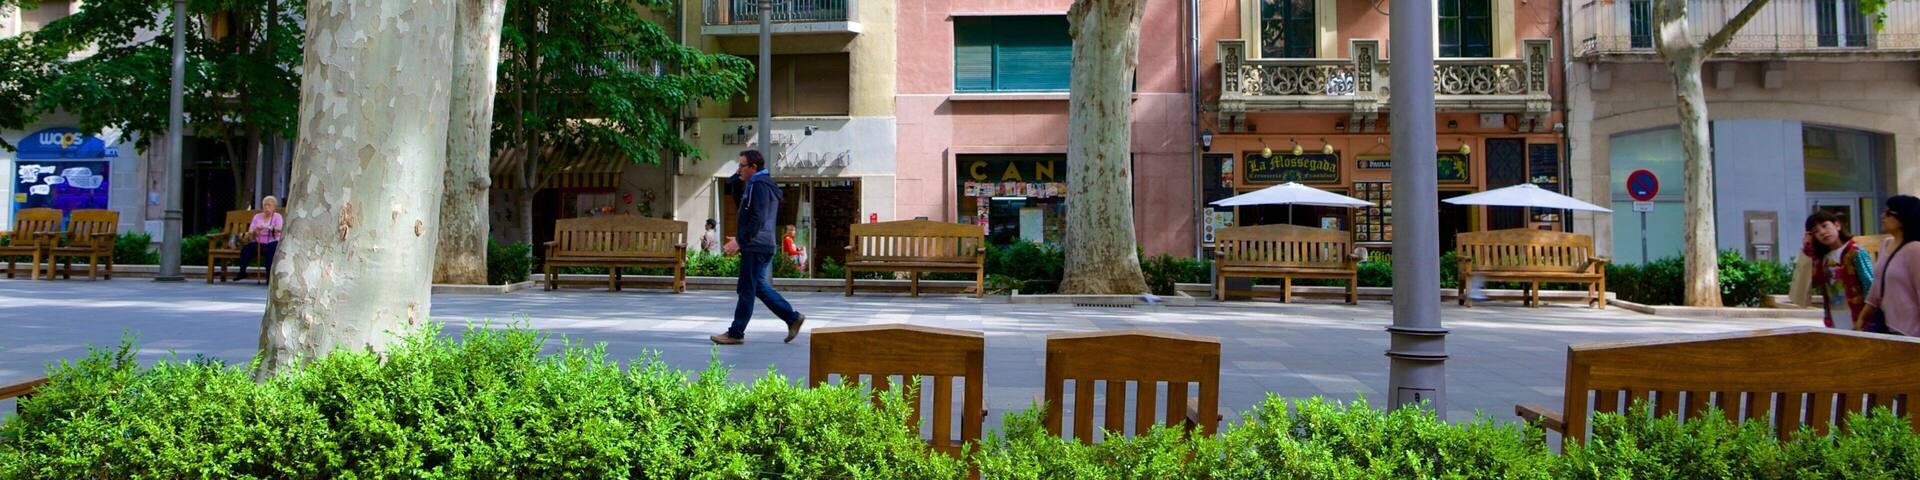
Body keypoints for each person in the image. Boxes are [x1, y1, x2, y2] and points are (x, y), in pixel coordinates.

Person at [711, 150, 806, 345]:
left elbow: (758, 217)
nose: (739, 169)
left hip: (756, 245)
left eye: (742, 166)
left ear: (754, 167)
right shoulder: (760, 184)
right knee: (758, 287)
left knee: (746, 289)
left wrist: (740, 240)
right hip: (760, 244)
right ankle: (792, 317)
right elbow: (743, 209)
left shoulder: (758, 185)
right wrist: (737, 180)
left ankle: (736, 333)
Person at [1798, 211, 1874, 330]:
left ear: (1837, 225)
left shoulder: (1855, 251)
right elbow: (1807, 284)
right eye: (1816, 231)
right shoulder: (1822, 259)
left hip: (1859, 320)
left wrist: (1863, 319)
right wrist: (1807, 249)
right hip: (1835, 321)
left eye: (1824, 226)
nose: (1822, 232)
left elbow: (1870, 286)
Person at [1862, 195, 1920, 335]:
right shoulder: (1885, 244)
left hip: (1910, 332)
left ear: (1903, 218)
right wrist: (1863, 317)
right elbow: (1876, 287)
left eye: (1889, 213)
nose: (1883, 216)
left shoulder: (1915, 249)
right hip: (1886, 327)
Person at [233, 196, 284, 283]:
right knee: (246, 250)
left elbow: (280, 229)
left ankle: (269, 277)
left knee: (270, 252)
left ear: (274, 207)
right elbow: (251, 231)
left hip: (272, 241)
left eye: (269, 205)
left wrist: (269, 228)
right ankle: (242, 272)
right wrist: (255, 231)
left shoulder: (277, 216)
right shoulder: (257, 216)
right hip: (259, 241)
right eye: (264, 205)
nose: (266, 207)